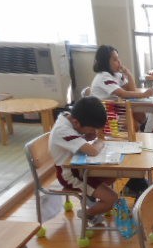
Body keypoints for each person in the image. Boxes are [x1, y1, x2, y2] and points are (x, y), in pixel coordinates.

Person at [90, 44, 153, 198]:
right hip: (104, 121)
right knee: (135, 131)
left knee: (139, 119)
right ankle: (135, 180)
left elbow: (131, 89)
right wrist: (144, 94)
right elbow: (124, 94)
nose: (118, 62)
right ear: (105, 61)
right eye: (114, 60)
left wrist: (128, 73)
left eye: (118, 59)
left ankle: (135, 180)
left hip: (114, 115)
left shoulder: (115, 75)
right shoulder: (103, 77)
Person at [48, 96, 118, 226]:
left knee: (113, 175)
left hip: (81, 167)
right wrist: (100, 140)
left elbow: (82, 141)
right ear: (76, 123)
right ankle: (86, 214)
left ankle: (92, 196)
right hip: (70, 174)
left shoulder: (70, 118)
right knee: (112, 199)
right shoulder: (62, 130)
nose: (94, 132)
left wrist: (87, 136)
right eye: (92, 129)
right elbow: (93, 151)